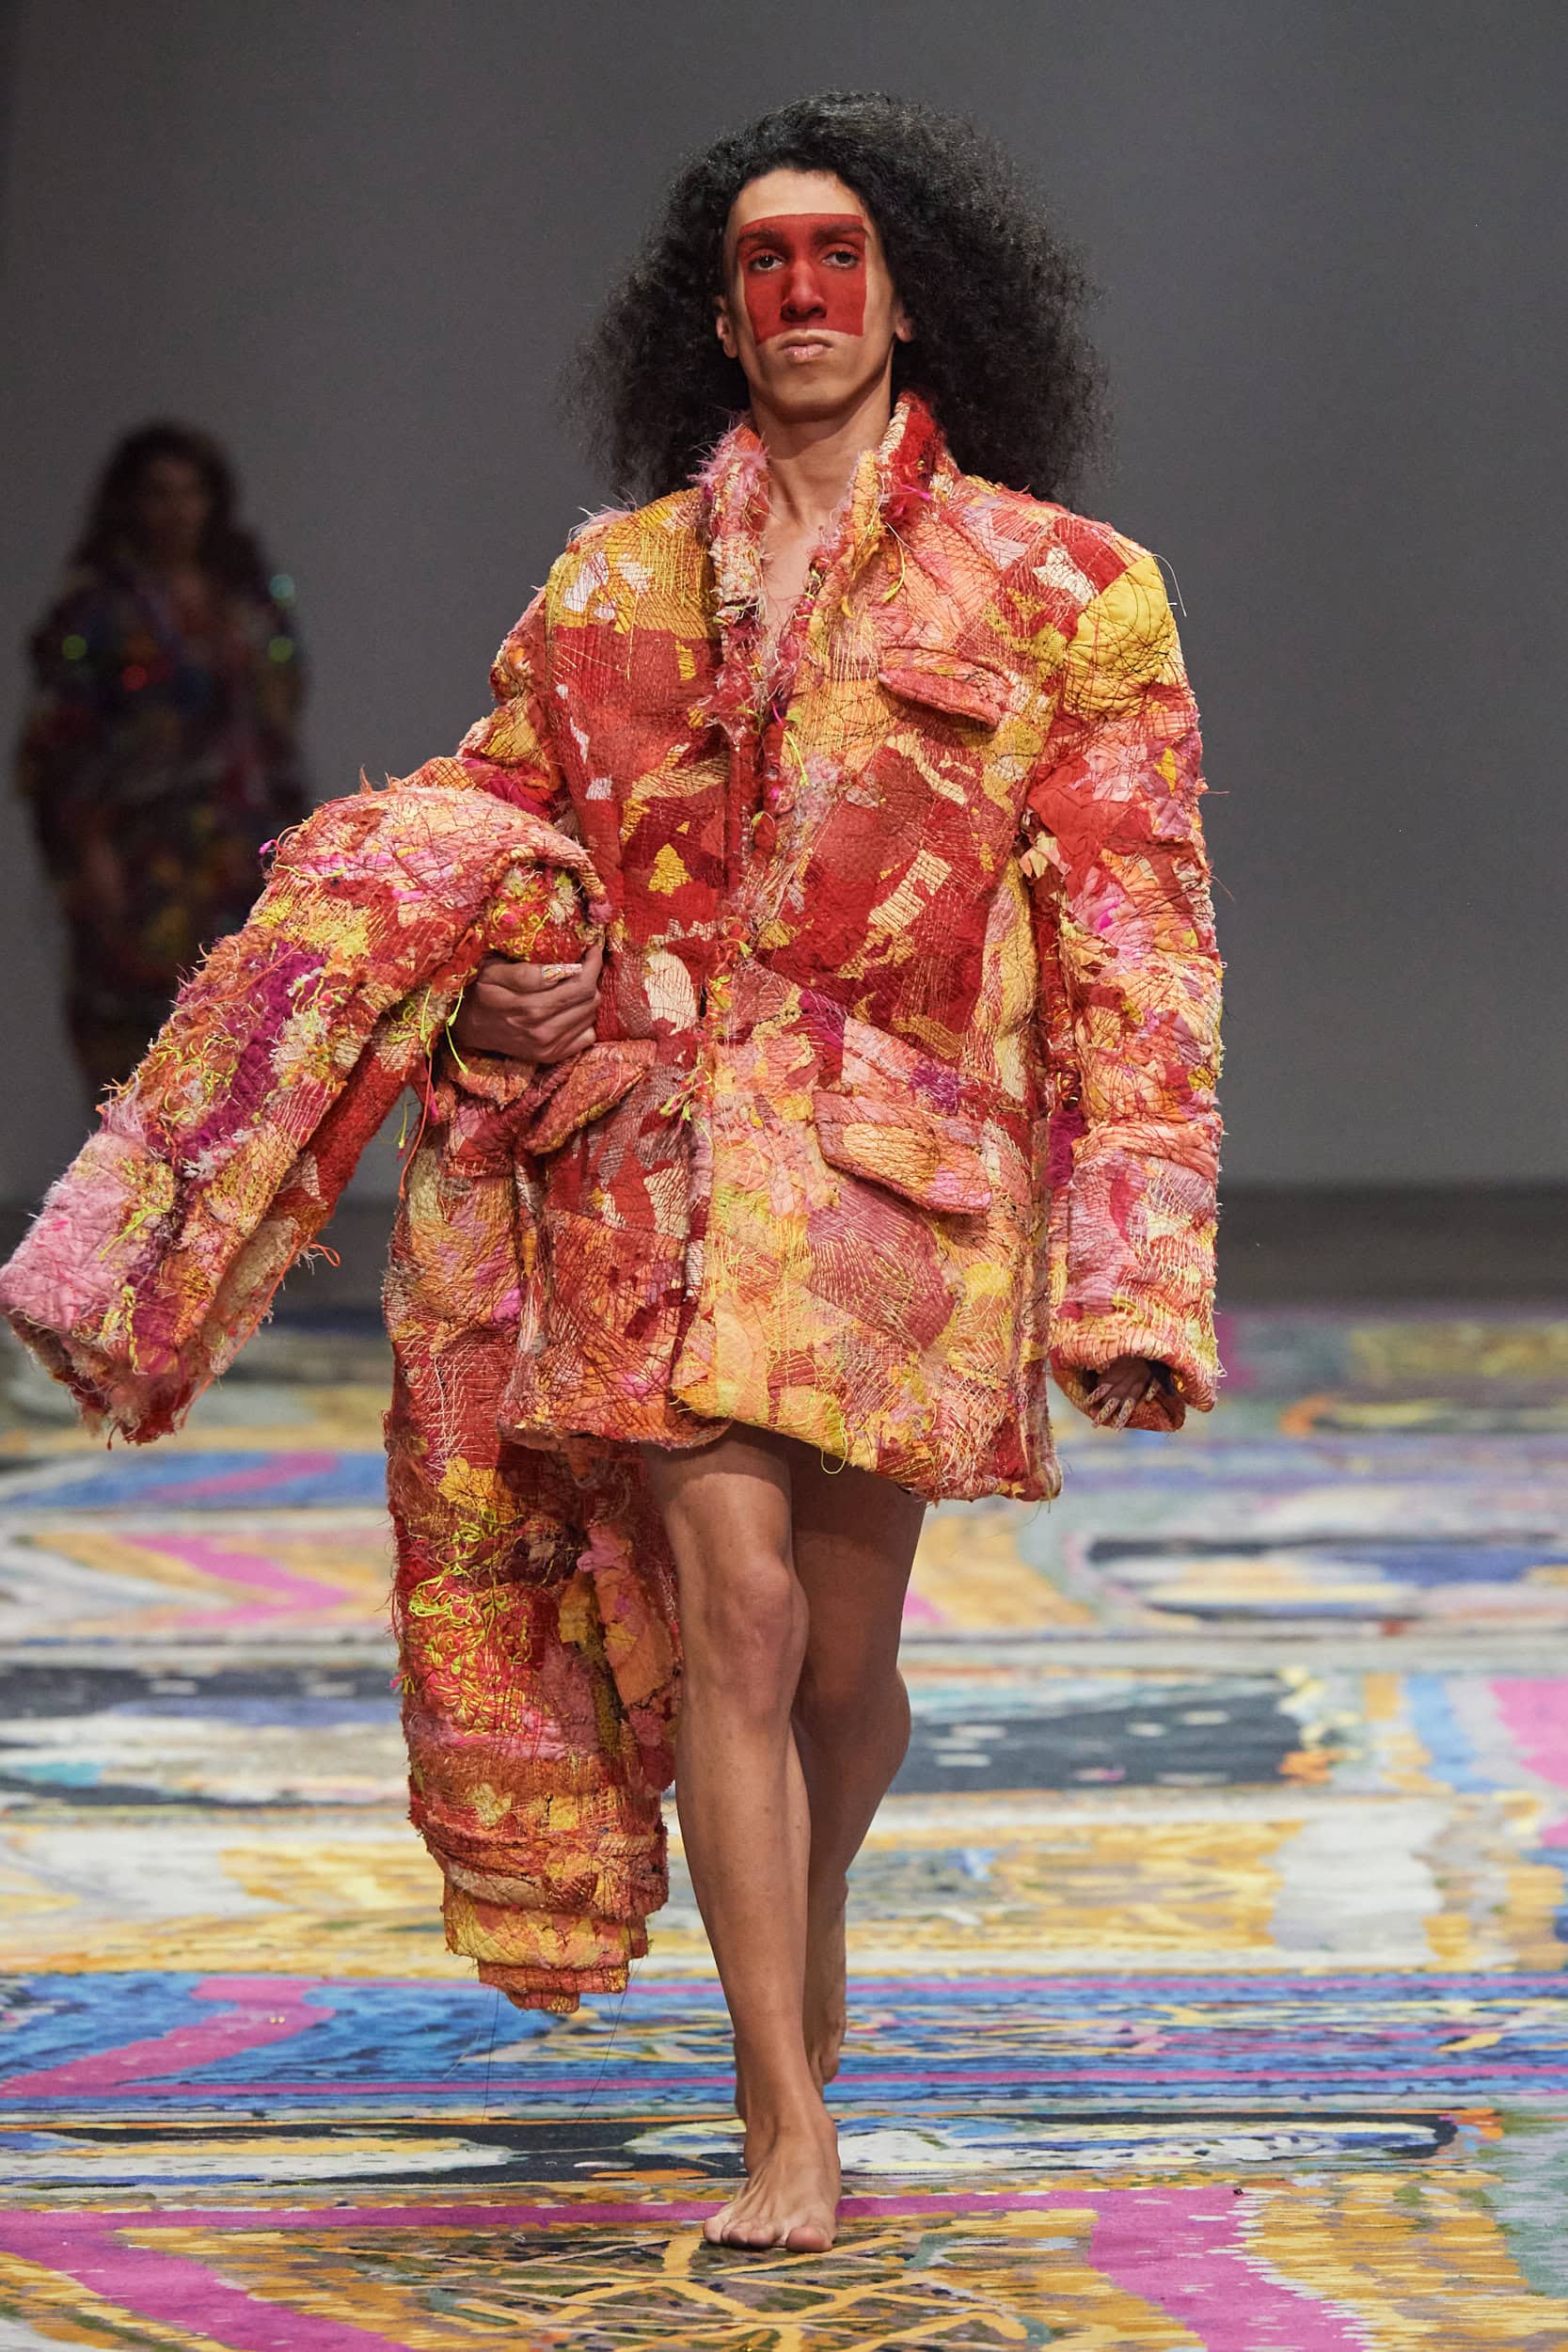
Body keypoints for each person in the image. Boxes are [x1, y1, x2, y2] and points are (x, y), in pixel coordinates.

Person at [0, 95, 1222, 2256]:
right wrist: (493, 987)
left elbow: (1136, 936)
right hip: (645, 1174)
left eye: (838, 254)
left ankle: (804, 1941)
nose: (802, 291)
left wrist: (1133, 1268)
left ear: (909, 298)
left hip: (903, 1197)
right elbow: (493, 838)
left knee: (839, 1665)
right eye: (762, 262)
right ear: (717, 318)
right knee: (733, 1615)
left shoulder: (1066, 591)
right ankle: (781, 2112)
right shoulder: (609, 585)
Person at [16, 422, 308, 1091]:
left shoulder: (246, 594)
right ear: (129, 502)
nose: (177, 512)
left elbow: (279, 716)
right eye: (158, 494)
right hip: (136, 854)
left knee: (248, 1036)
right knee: (136, 1047)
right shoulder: (97, 609)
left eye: (191, 493)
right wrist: (89, 852)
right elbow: (59, 743)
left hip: (241, 846)